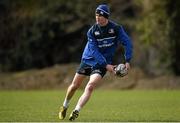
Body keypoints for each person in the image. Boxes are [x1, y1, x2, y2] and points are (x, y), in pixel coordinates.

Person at [59, 4, 133, 121]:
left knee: (90, 86)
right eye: (96, 15)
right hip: (89, 59)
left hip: (102, 64)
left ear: (106, 17)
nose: (97, 17)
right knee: (74, 86)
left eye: (100, 15)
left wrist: (127, 61)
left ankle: (76, 110)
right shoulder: (92, 31)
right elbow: (94, 51)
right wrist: (107, 66)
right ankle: (65, 105)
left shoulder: (116, 29)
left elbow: (127, 43)